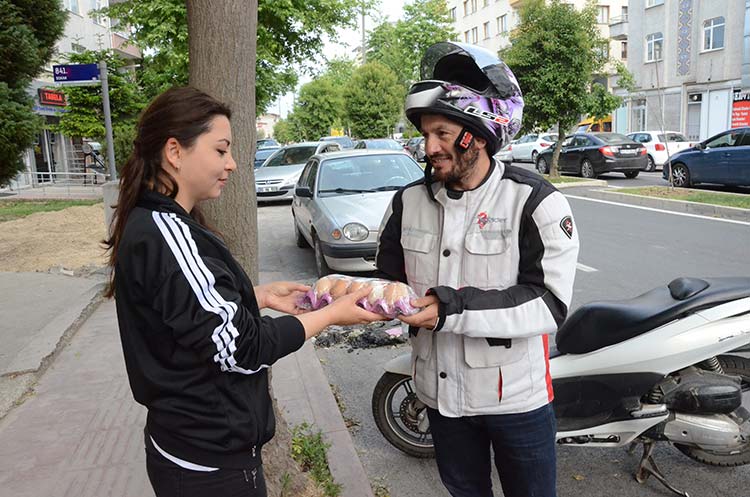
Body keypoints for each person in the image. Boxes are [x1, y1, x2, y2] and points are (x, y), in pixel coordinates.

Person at [104, 86, 384, 497]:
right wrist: (329, 316)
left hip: (193, 450)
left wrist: (259, 296)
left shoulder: (158, 223)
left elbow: (184, 311)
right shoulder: (168, 234)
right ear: (175, 152)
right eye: (221, 150)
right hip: (206, 465)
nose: (232, 164)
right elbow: (241, 347)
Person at [375, 42, 580, 497]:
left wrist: (446, 309)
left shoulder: (535, 201)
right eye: (426, 134)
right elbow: (386, 280)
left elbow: (548, 306)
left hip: (517, 401)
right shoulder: (408, 201)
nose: (429, 148)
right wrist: (364, 299)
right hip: (440, 396)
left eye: (443, 134)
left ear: (479, 134)